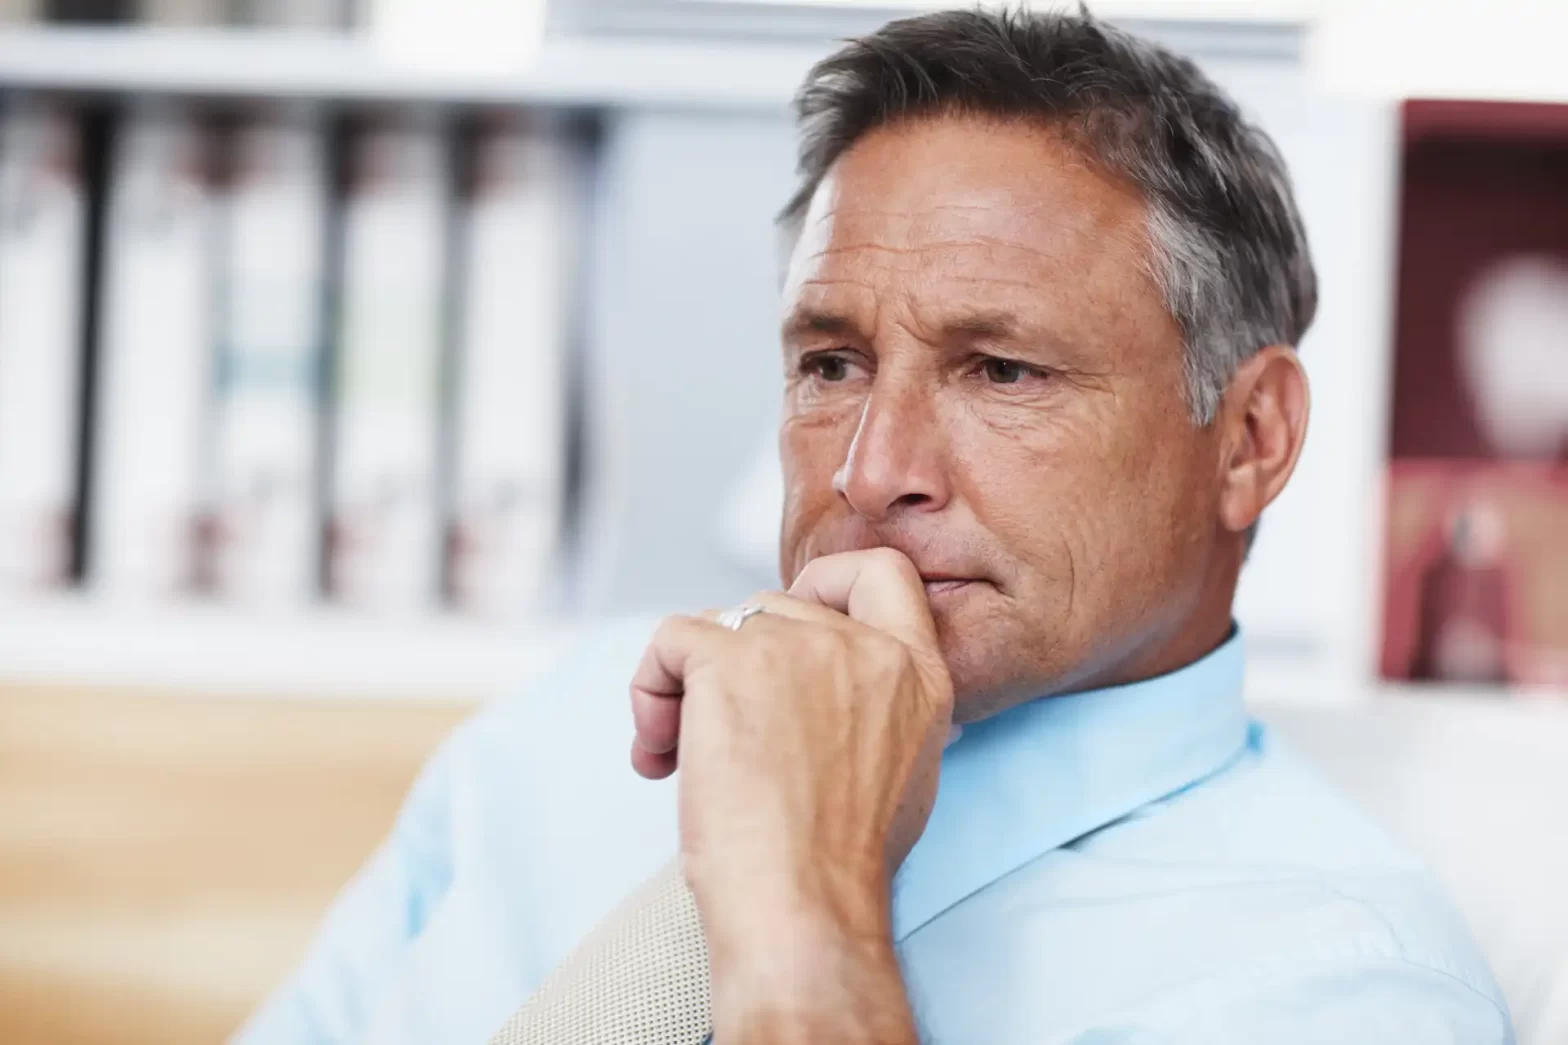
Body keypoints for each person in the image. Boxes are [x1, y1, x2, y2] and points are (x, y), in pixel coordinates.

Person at [238, 10, 1511, 1043]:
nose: (867, 470)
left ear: (1249, 441)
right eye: (832, 363)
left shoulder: (1342, 989)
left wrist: (805, 919)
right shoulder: (568, 723)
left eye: (1000, 370)